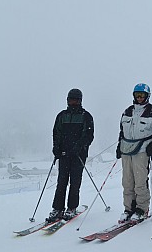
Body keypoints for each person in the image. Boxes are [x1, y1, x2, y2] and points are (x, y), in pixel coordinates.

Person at [116, 83, 152, 223]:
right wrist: (118, 147)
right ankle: (128, 209)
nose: (139, 98)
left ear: (147, 96)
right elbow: (122, 132)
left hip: (142, 150)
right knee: (127, 182)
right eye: (137, 95)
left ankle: (141, 209)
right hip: (126, 150)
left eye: (142, 95)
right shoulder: (127, 111)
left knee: (140, 181)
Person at [47, 88, 95, 221]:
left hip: (78, 155)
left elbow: (89, 135)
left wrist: (79, 147)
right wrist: (56, 148)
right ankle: (57, 208)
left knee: (75, 181)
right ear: (67, 100)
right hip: (63, 154)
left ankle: (72, 207)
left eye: (75, 100)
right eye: (71, 100)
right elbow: (56, 133)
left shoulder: (86, 116)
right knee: (61, 181)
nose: (73, 102)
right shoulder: (62, 116)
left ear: (80, 101)